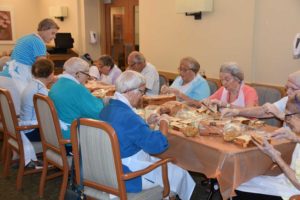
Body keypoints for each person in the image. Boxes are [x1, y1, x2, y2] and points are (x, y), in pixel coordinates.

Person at [99, 70, 195, 200]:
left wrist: (145, 123)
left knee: (174, 171)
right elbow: (157, 146)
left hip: (105, 168)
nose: (142, 96)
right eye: (141, 92)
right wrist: (164, 122)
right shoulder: (129, 117)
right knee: (180, 173)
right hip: (127, 174)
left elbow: (125, 130)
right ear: (129, 91)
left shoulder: (107, 108)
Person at [234, 90, 300, 200]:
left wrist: (276, 156)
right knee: (240, 182)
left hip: (294, 190)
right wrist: (294, 137)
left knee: (238, 189)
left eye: (288, 117)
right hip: (288, 181)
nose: (287, 121)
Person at [0, 18, 59, 114]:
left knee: (9, 115)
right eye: (53, 33)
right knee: (27, 110)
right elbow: (43, 68)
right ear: (44, 29)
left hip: (4, 77)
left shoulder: (25, 38)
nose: (54, 36)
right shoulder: (39, 42)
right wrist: (54, 78)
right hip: (15, 80)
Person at [49, 57, 104, 154]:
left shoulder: (56, 85)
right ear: (78, 74)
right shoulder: (76, 89)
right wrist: (102, 101)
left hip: (57, 136)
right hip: (72, 139)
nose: (88, 78)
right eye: (87, 74)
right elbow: (99, 113)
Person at [221, 70, 300, 120]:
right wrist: (237, 111)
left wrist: (280, 114)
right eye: (287, 88)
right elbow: (263, 111)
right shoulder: (287, 99)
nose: (288, 92)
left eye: (293, 89)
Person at [19, 58, 55, 167]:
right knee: (64, 129)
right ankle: (60, 160)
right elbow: (48, 115)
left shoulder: (32, 85)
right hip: (32, 131)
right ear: (50, 75)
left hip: (25, 127)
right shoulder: (41, 91)